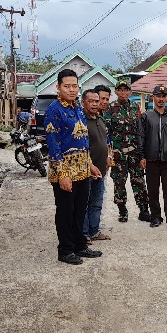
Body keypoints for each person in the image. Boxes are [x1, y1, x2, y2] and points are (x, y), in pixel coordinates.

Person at [45, 69, 104, 265]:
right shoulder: (54, 110)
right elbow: (54, 145)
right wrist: (63, 175)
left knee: (80, 210)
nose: (71, 90)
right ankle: (65, 250)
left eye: (74, 86)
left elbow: (83, 141)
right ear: (58, 87)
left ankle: (80, 245)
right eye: (67, 86)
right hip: (64, 173)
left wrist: (91, 165)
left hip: (82, 170)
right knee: (65, 212)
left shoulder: (77, 107)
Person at [138, 85, 167, 230]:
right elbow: (141, 137)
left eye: (163, 96)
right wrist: (142, 156)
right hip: (152, 159)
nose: (160, 99)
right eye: (158, 96)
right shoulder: (146, 116)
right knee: (152, 190)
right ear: (153, 98)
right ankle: (156, 217)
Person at [105, 81, 151, 222]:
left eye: (126, 90)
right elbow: (106, 133)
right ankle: (122, 211)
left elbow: (141, 131)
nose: (123, 93)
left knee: (139, 181)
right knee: (119, 182)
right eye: (120, 90)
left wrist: (143, 153)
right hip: (119, 154)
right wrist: (108, 153)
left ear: (130, 92)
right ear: (116, 92)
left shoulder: (135, 107)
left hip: (135, 152)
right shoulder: (110, 108)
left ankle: (143, 210)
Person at [81, 89, 112, 241]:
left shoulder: (100, 119)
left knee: (97, 202)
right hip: (86, 170)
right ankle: (84, 233)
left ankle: (94, 230)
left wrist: (108, 155)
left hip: (101, 169)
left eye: (96, 101)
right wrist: (89, 165)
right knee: (84, 203)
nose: (94, 104)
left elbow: (106, 141)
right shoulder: (81, 121)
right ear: (83, 103)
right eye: (91, 101)